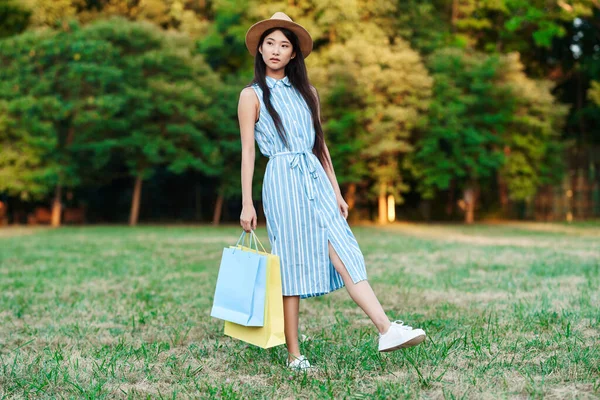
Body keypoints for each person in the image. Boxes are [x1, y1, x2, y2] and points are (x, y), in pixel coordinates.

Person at [238, 12, 426, 370]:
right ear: (260, 50)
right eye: (270, 43)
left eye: (284, 45)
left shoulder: (309, 93)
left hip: (315, 179)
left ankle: (386, 328)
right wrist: (247, 202)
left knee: (343, 249)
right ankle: (295, 355)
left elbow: (320, 146)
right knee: (290, 262)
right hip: (282, 181)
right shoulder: (251, 96)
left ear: (294, 54)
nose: (276, 50)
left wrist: (337, 192)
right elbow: (248, 151)